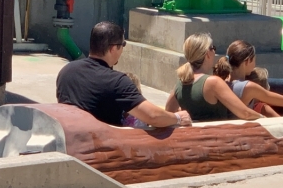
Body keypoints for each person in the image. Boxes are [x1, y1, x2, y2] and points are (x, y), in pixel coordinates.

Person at [56, 22, 192, 128]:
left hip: (68, 143)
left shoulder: (67, 71)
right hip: (100, 151)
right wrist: (178, 118)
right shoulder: (117, 81)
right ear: (113, 48)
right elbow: (152, 116)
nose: (122, 49)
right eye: (123, 44)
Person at [165, 33, 261, 121]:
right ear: (207, 54)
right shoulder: (213, 82)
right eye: (213, 48)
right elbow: (245, 113)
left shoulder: (180, 83)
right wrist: (265, 119)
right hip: (217, 137)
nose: (214, 51)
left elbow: (168, 111)